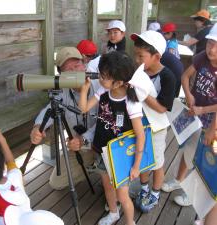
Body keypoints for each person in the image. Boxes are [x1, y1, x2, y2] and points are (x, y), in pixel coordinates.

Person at [79, 51, 145, 225]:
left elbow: (141, 135)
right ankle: (114, 213)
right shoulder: (103, 90)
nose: (100, 79)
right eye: (101, 74)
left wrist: (136, 165)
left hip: (121, 155)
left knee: (123, 195)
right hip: (103, 150)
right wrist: (84, 90)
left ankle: (130, 222)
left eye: (104, 76)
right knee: (107, 186)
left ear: (119, 82)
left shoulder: (131, 102)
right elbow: (84, 108)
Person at [162, 23, 217, 207]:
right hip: (194, 111)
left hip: (212, 119)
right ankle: (178, 179)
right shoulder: (202, 57)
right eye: (210, 43)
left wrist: (211, 129)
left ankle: (191, 193)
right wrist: (189, 94)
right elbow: (185, 76)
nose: (212, 49)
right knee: (187, 148)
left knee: (203, 157)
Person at [30, 47, 100, 190]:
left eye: (77, 66)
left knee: (110, 182)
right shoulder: (62, 89)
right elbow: (50, 108)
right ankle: (92, 166)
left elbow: (106, 121)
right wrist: (37, 128)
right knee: (56, 183)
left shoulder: (100, 85)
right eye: (68, 69)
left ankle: (101, 168)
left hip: (102, 143)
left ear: (84, 64)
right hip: (79, 148)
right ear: (61, 75)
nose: (74, 71)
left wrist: (84, 138)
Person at [131, 30, 176, 213]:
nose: (136, 59)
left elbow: (162, 108)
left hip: (157, 127)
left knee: (157, 162)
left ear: (156, 56)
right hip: (139, 125)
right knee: (143, 160)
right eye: (136, 54)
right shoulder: (139, 71)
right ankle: (143, 189)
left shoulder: (168, 77)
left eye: (140, 56)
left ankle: (155, 192)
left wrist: (140, 91)